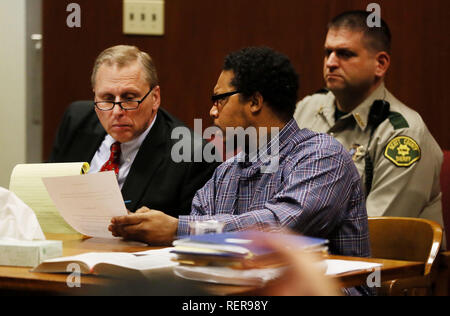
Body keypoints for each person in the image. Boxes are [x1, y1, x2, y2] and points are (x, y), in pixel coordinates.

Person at [109, 47, 370, 260]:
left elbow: (280, 225)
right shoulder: (226, 171)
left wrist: (178, 229)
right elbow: (199, 243)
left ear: (255, 102)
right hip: (243, 291)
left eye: (220, 99)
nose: (212, 112)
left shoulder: (323, 156)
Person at [294, 11, 444, 231]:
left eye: (345, 54)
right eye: (328, 53)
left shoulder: (403, 134)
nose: (331, 63)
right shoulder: (306, 108)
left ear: (380, 64)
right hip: (308, 254)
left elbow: (373, 234)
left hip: (385, 262)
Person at [49, 45, 219, 217]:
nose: (116, 112)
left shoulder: (192, 155)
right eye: (107, 99)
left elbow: (194, 231)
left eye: (129, 98)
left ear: (155, 98)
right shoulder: (76, 120)